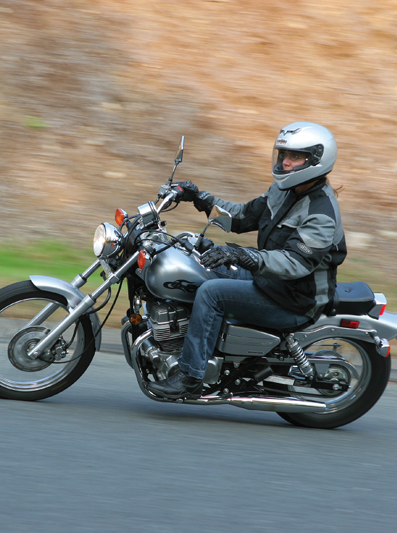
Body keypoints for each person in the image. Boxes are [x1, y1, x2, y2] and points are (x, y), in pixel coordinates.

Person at [146, 121, 347, 400]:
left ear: (316, 160)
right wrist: (200, 199)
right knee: (200, 266)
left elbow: (295, 263)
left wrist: (242, 255)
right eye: (283, 155)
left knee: (212, 294)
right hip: (271, 283)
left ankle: (190, 376)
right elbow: (242, 217)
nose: (286, 163)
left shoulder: (321, 212)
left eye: (295, 157)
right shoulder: (284, 191)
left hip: (295, 299)